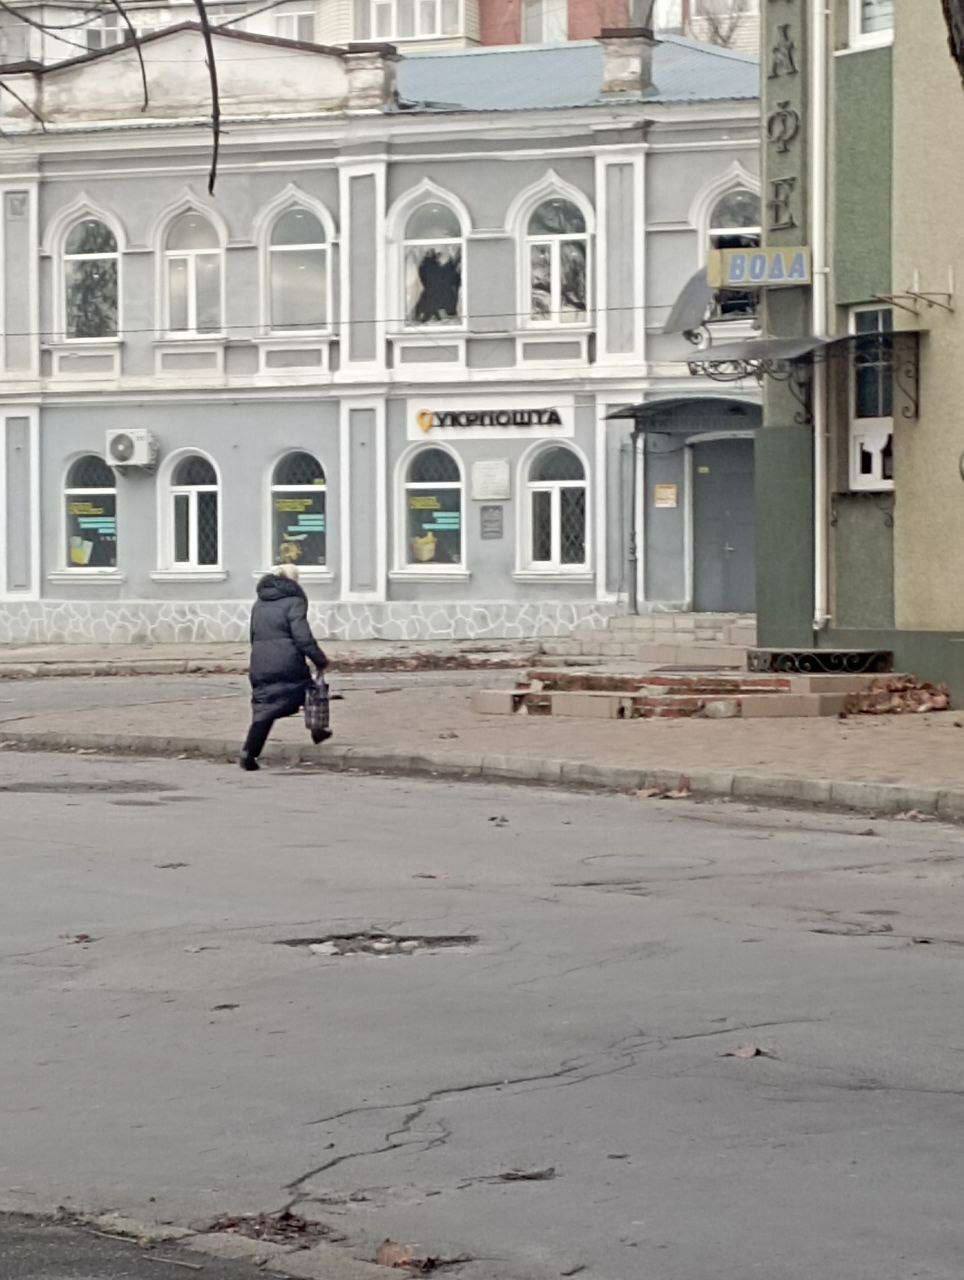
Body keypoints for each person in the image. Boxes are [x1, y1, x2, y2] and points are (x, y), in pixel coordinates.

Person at [240, 563, 328, 771]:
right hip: (288, 662)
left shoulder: (259, 602)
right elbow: (302, 637)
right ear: (293, 580)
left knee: (264, 709)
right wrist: (319, 659)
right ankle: (318, 730)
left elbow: (253, 636)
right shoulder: (295, 601)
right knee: (310, 691)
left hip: (260, 663)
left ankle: (248, 753)